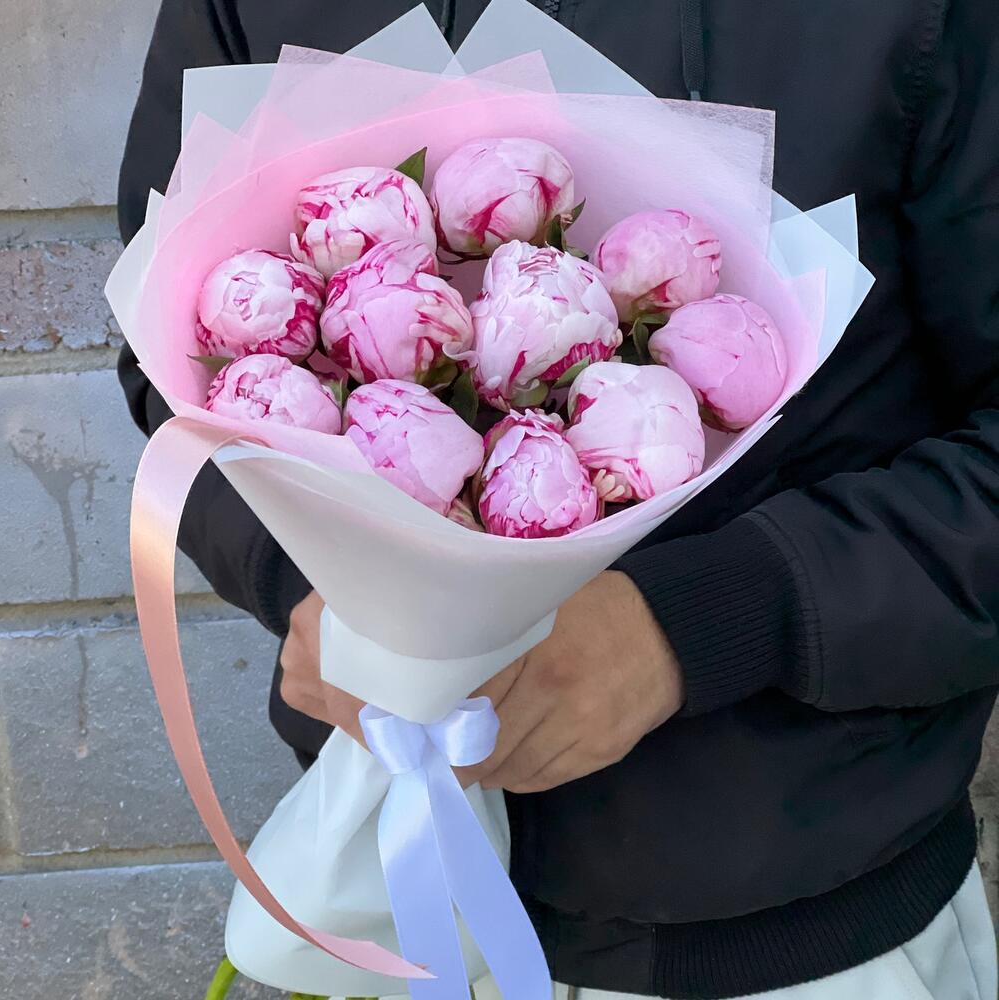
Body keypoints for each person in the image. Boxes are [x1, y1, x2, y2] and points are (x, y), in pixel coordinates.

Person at [117, 2, 999, 998]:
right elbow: (172, 351)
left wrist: (705, 622)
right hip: (396, 890)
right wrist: (326, 589)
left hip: (807, 937)